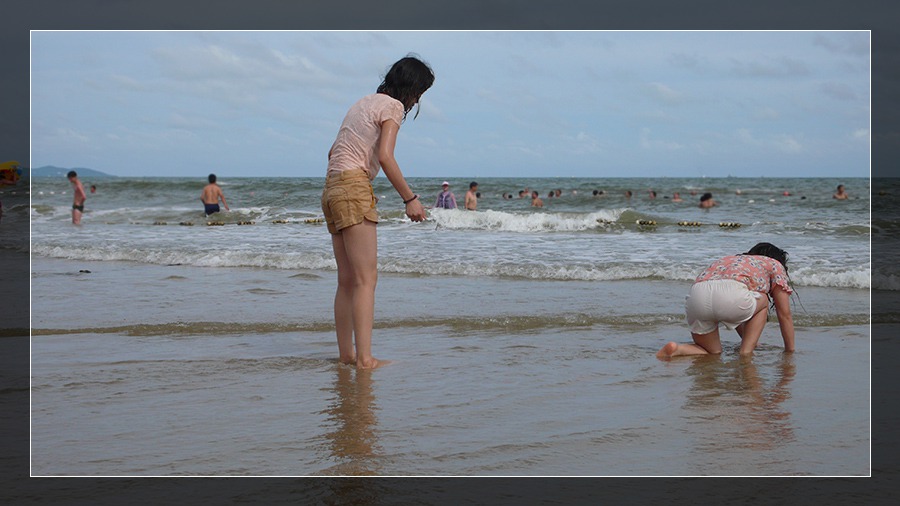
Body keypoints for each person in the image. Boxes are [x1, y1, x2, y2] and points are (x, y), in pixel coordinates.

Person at [321, 54, 432, 369]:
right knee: (366, 280)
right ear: (411, 88)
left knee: (346, 280)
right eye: (419, 92)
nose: (417, 100)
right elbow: (385, 156)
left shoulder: (362, 103)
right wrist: (410, 199)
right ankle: (366, 359)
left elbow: (332, 152)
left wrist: (353, 183)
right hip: (352, 187)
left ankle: (348, 355)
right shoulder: (392, 106)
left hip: (331, 188)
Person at [657, 242, 795, 358]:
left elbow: (735, 310)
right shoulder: (775, 264)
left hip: (697, 296)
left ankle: (676, 349)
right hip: (731, 297)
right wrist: (790, 351)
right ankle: (746, 353)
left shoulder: (731, 260)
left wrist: (749, 339)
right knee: (763, 301)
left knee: (712, 352)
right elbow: (784, 314)